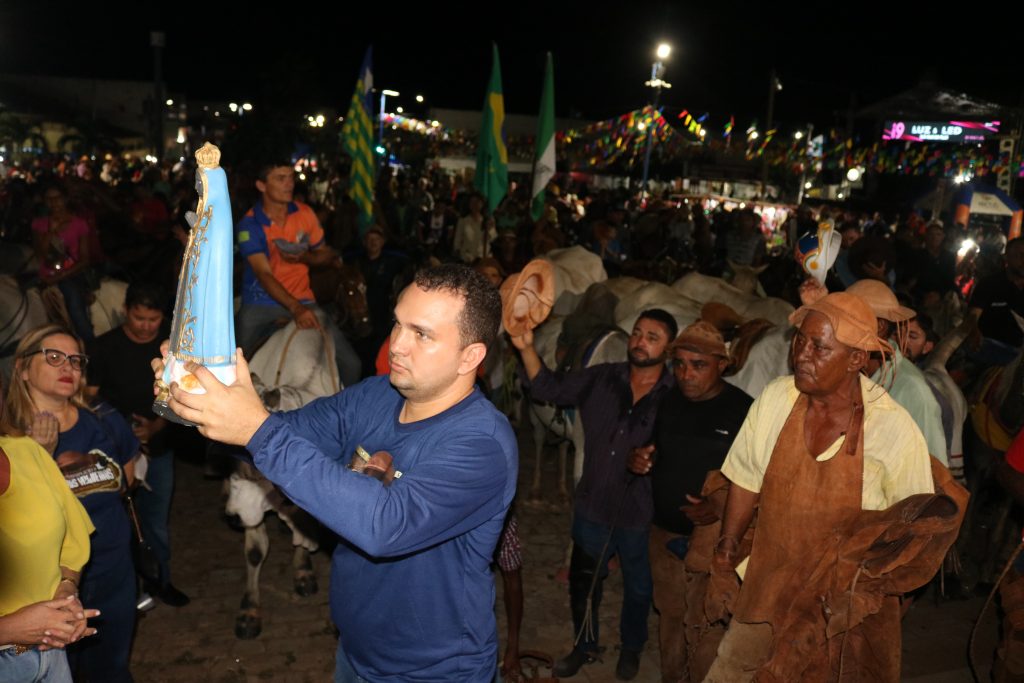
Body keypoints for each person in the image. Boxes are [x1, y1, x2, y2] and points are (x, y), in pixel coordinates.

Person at [158, 265, 517, 682]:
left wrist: (256, 429)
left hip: (435, 671)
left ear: (470, 356)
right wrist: (200, 404)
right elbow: (282, 434)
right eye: (398, 324)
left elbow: (385, 524)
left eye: (422, 334)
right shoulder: (375, 395)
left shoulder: (482, 444)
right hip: (354, 655)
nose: (397, 344)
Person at [704, 292, 937, 681]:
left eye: (819, 347)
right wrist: (726, 557)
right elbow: (746, 480)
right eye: (800, 341)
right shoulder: (777, 398)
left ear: (856, 360)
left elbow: (915, 533)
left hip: (836, 613)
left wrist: (868, 598)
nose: (801, 355)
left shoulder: (892, 428)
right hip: (766, 588)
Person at [511, 309, 678, 680]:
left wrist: (655, 459)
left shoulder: (674, 396)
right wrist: (525, 347)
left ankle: (631, 648)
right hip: (593, 502)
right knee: (583, 584)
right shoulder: (602, 378)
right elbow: (548, 388)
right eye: (637, 332)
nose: (640, 341)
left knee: (639, 588)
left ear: (669, 349)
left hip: (640, 511)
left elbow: (682, 452)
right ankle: (583, 646)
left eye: (652, 337)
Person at [5, 324, 139, 683]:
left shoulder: (103, 418)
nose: (68, 367)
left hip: (114, 569)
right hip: (44, 585)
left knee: (111, 668)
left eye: (76, 360)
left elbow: (128, 478)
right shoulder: (9, 435)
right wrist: (41, 457)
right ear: (22, 368)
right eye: (54, 357)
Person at [627, 321, 752, 682]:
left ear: (721, 365)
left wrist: (719, 505)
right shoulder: (668, 401)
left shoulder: (743, 410)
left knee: (706, 623)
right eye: (679, 364)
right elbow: (654, 449)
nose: (686, 374)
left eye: (698, 365)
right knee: (670, 616)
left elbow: (760, 478)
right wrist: (639, 459)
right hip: (664, 535)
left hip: (714, 541)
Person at [86, 281, 189, 607]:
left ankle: (161, 580)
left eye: (153, 320)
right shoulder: (103, 347)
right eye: (138, 318)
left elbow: (183, 397)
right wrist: (119, 432)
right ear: (125, 311)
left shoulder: (170, 348)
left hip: (158, 449)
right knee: (118, 524)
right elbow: (88, 401)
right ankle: (126, 586)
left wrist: (157, 426)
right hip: (113, 454)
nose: (145, 326)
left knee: (156, 521)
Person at [0, 378, 99, 682]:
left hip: (50, 654)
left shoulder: (26, 451)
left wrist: (67, 591)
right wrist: (8, 629)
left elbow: (72, 538)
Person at [235, 161, 361, 386]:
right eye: (280, 178)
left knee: (352, 365)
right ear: (261, 186)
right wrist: (296, 308)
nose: (289, 184)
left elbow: (324, 254)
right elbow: (264, 274)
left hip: (304, 300)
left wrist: (306, 258)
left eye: (291, 178)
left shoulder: (304, 213)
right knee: (235, 370)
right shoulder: (250, 225)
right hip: (261, 304)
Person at [32, 184, 95, 342]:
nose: (54, 203)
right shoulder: (39, 224)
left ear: (65, 199)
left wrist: (59, 277)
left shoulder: (79, 224)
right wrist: (51, 231)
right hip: (44, 275)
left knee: (74, 302)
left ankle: (90, 344)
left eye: (57, 198)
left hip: (70, 274)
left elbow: (85, 259)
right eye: (49, 199)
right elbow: (40, 255)